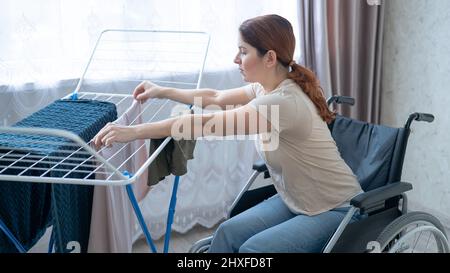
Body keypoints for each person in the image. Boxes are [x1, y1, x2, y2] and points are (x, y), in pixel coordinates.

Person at [93, 14, 363, 253]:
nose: (236, 59)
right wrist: (161, 90)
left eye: (243, 52)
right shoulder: (267, 87)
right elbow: (216, 96)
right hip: (296, 201)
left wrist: (133, 131)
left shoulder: (283, 102)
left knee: (253, 250)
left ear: (269, 57)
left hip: (336, 208)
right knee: (226, 234)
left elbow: (202, 123)